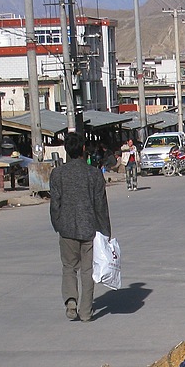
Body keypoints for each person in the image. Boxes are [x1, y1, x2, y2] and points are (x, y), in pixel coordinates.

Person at [49, 131, 112, 323]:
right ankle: (86, 311)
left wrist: (57, 224)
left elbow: (55, 204)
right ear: (84, 149)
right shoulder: (93, 174)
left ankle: (70, 301)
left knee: (68, 266)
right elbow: (100, 205)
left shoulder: (57, 173)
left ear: (66, 150)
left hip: (66, 229)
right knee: (87, 270)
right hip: (89, 229)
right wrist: (106, 231)